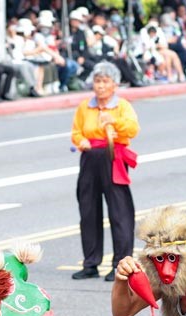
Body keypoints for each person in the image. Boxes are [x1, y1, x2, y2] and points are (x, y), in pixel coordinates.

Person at [70, 61, 138, 281]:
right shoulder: (85, 107)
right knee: (88, 210)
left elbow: (132, 129)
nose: (100, 86)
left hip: (112, 155)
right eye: (97, 81)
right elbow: (76, 132)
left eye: (105, 81)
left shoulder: (122, 106)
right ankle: (91, 262)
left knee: (119, 211)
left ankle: (120, 262)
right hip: (90, 157)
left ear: (114, 85)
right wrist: (82, 142)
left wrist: (114, 121)